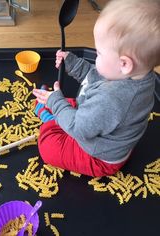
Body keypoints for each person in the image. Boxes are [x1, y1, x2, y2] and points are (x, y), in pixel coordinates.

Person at [32, 0, 160, 177]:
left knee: (47, 146)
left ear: (124, 64)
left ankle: (49, 119)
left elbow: (78, 128)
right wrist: (74, 63)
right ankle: (56, 114)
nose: (96, 56)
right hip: (101, 126)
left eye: (99, 53)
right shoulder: (137, 74)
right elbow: (97, 77)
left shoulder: (111, 99)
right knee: (67, 103)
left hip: (98, 157)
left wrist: (56, 103)